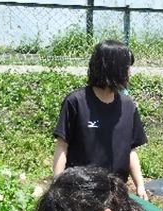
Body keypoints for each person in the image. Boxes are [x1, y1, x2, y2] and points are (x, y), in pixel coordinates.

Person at [52, 40, 148, 200]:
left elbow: (131, 150)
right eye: (127, 67)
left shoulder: (128, 106)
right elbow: (62, 146)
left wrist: (140, 185)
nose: (130, 72)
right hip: (81, 191)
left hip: (116, 192)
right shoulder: (76, 102)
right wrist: (56, 186)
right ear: (113, 67)